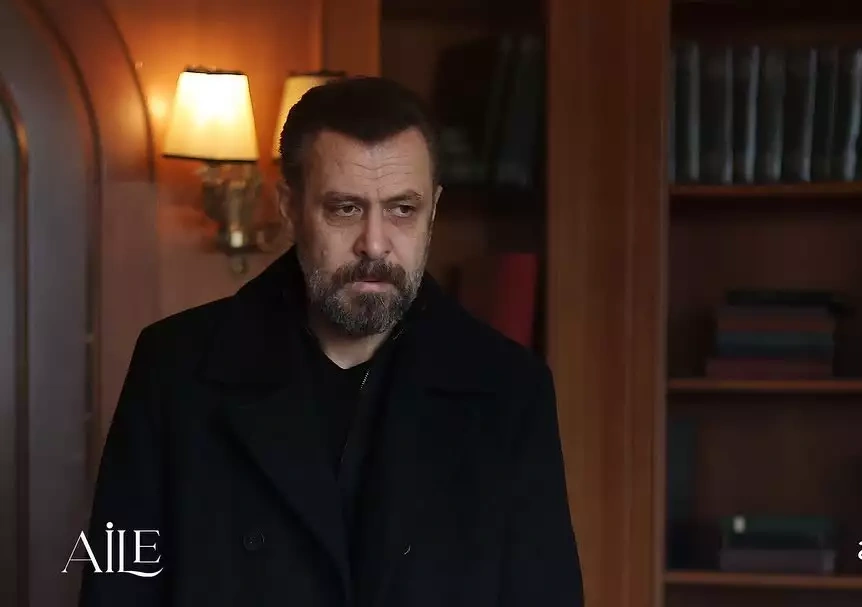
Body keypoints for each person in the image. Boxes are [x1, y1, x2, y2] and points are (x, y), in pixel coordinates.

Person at [78, 76, 583, 607]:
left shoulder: (510, 390)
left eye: (402, 209)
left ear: (432, 210)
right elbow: (113, 587)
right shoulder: (172, 369)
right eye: (345, 208)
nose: (375, 244)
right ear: (289, 208)